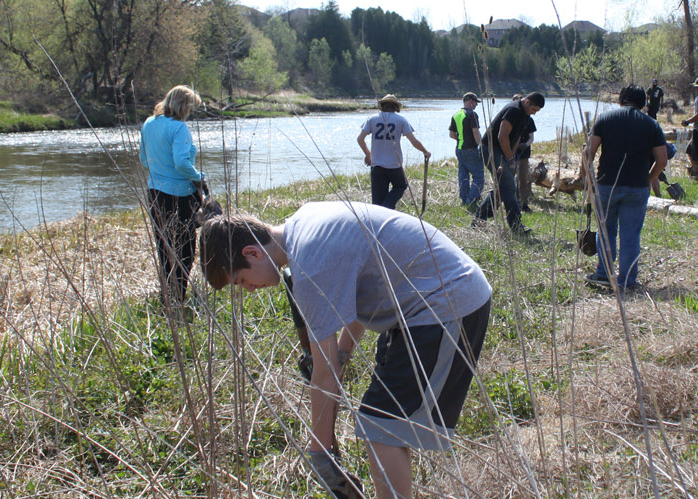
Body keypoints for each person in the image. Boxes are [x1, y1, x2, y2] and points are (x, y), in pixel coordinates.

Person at [198, 202, 492, 499]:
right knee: (381, 419)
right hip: (417, 308)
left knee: (382, 427)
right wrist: (342, 353)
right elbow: (351, 297)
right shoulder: (305, 223)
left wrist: (320, 453)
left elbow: (326, 376)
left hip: (447, 303)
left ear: (252, 253)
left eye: (241, 280)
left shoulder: (309, 264)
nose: (248, 289)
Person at [578, 85, 668, 291]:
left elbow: (587, 153)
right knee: (631, 234)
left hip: (606, 184)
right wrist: (649, 178)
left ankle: (603, 273)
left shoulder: (605, 119)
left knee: (606, 230)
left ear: (621, 100)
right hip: (636, 186)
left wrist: (587, 178)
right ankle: (626, 280)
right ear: (642, 103)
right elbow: (662, 159)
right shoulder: (652, 124)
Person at [140, 85, 207, 310]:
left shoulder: (148, 123)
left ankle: (167, 295)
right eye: (190, 107)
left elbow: (143, 159)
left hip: (155, 194)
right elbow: (181, 163)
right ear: (182, 106)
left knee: (164, 245)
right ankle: (179, 295)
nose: (190, 112)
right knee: (185, 248)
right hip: (180, 195)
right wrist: (199, 177)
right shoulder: (179, 128)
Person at [474, 92, 544, 233]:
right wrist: (509, 158)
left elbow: (516, 137)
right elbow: (502, 135)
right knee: (509, 186)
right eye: (534, 109)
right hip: (490, 149)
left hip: (502, 151)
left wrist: (511, 155)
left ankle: (479, 220)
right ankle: (516, 225)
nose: (534, 113)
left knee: (502, 187)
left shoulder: (525, 115)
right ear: (527, 101)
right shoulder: (514, 110)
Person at [357, 94, 430, 210]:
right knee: (400, 186)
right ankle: (388, 205)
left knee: (377, 202)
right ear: (396, 107)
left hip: (376, 164)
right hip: (394, 164)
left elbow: (360, 139)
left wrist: (368, 154)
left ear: (382, 106)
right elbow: (413, 141)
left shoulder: (372, 119)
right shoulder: (401, 120)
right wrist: (425, 151)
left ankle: (379, 218)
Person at [448, 92, 485, 209]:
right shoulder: (472, 115)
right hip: (471, 150)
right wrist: (481, 146)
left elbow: (451, 134)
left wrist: (461, 139)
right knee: (479, 176)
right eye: (475, 103)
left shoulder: (456, 115)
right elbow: (475, 132)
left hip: (459, 150)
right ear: (470, 101)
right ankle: (471, 200)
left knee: (463, 177)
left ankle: (464, 200)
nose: (476, 105)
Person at [510, 94, 537, 213]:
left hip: (524, 153)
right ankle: (514, 202)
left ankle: (524, 203)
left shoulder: (529, 120)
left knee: (523, 179)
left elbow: (531, 137)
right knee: (512, 178)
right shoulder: (511, 117)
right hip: (511, 153)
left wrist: (525, 145)